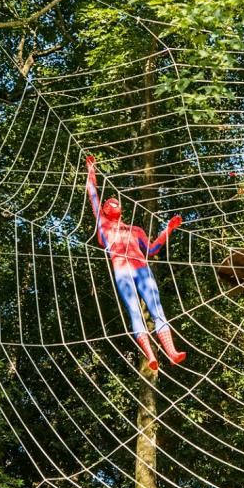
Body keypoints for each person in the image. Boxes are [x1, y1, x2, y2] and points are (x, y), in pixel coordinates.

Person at [85, 154, 186, 369]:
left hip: (142, 269)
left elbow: (152, 249)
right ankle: (150, 355)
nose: (113, 202)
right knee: (134, 310)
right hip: (122, 270)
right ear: (104, 209)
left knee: (156, 309)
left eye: (116, 201)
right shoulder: (102, 224)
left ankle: (171, 352)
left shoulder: (136, 230)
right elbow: (92, 195)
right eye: (108, 202)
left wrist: (168, 229)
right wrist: (91, 170)